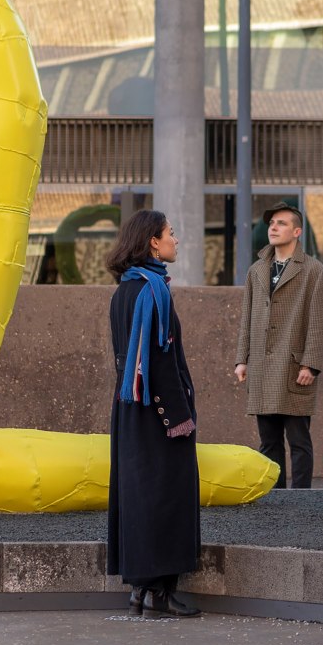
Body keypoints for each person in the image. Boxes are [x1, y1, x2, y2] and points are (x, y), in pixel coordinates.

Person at [105, 210, 203, 619]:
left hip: (130, 412)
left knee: (139, 496)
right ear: (152, 243)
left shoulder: (123, 291)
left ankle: (140, 590)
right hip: (157, 414)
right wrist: (179, 417)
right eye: (171, 234)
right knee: (167, 497)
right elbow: (160, 362)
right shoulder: (153, 291)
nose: (176, 240)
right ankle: (161, 592)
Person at [234, 202, 323, 489]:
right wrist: (242, 359)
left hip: (293, 366)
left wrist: (310, 364)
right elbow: (246, 318)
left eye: (281, 223)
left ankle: (301, 498)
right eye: (271, 223)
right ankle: (274, 495)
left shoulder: (314, 271)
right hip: (262, 367)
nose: (273, 228)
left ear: (297, 231)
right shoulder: (257, 270)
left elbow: (318, 321)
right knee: (269, 440)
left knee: (299, 440)